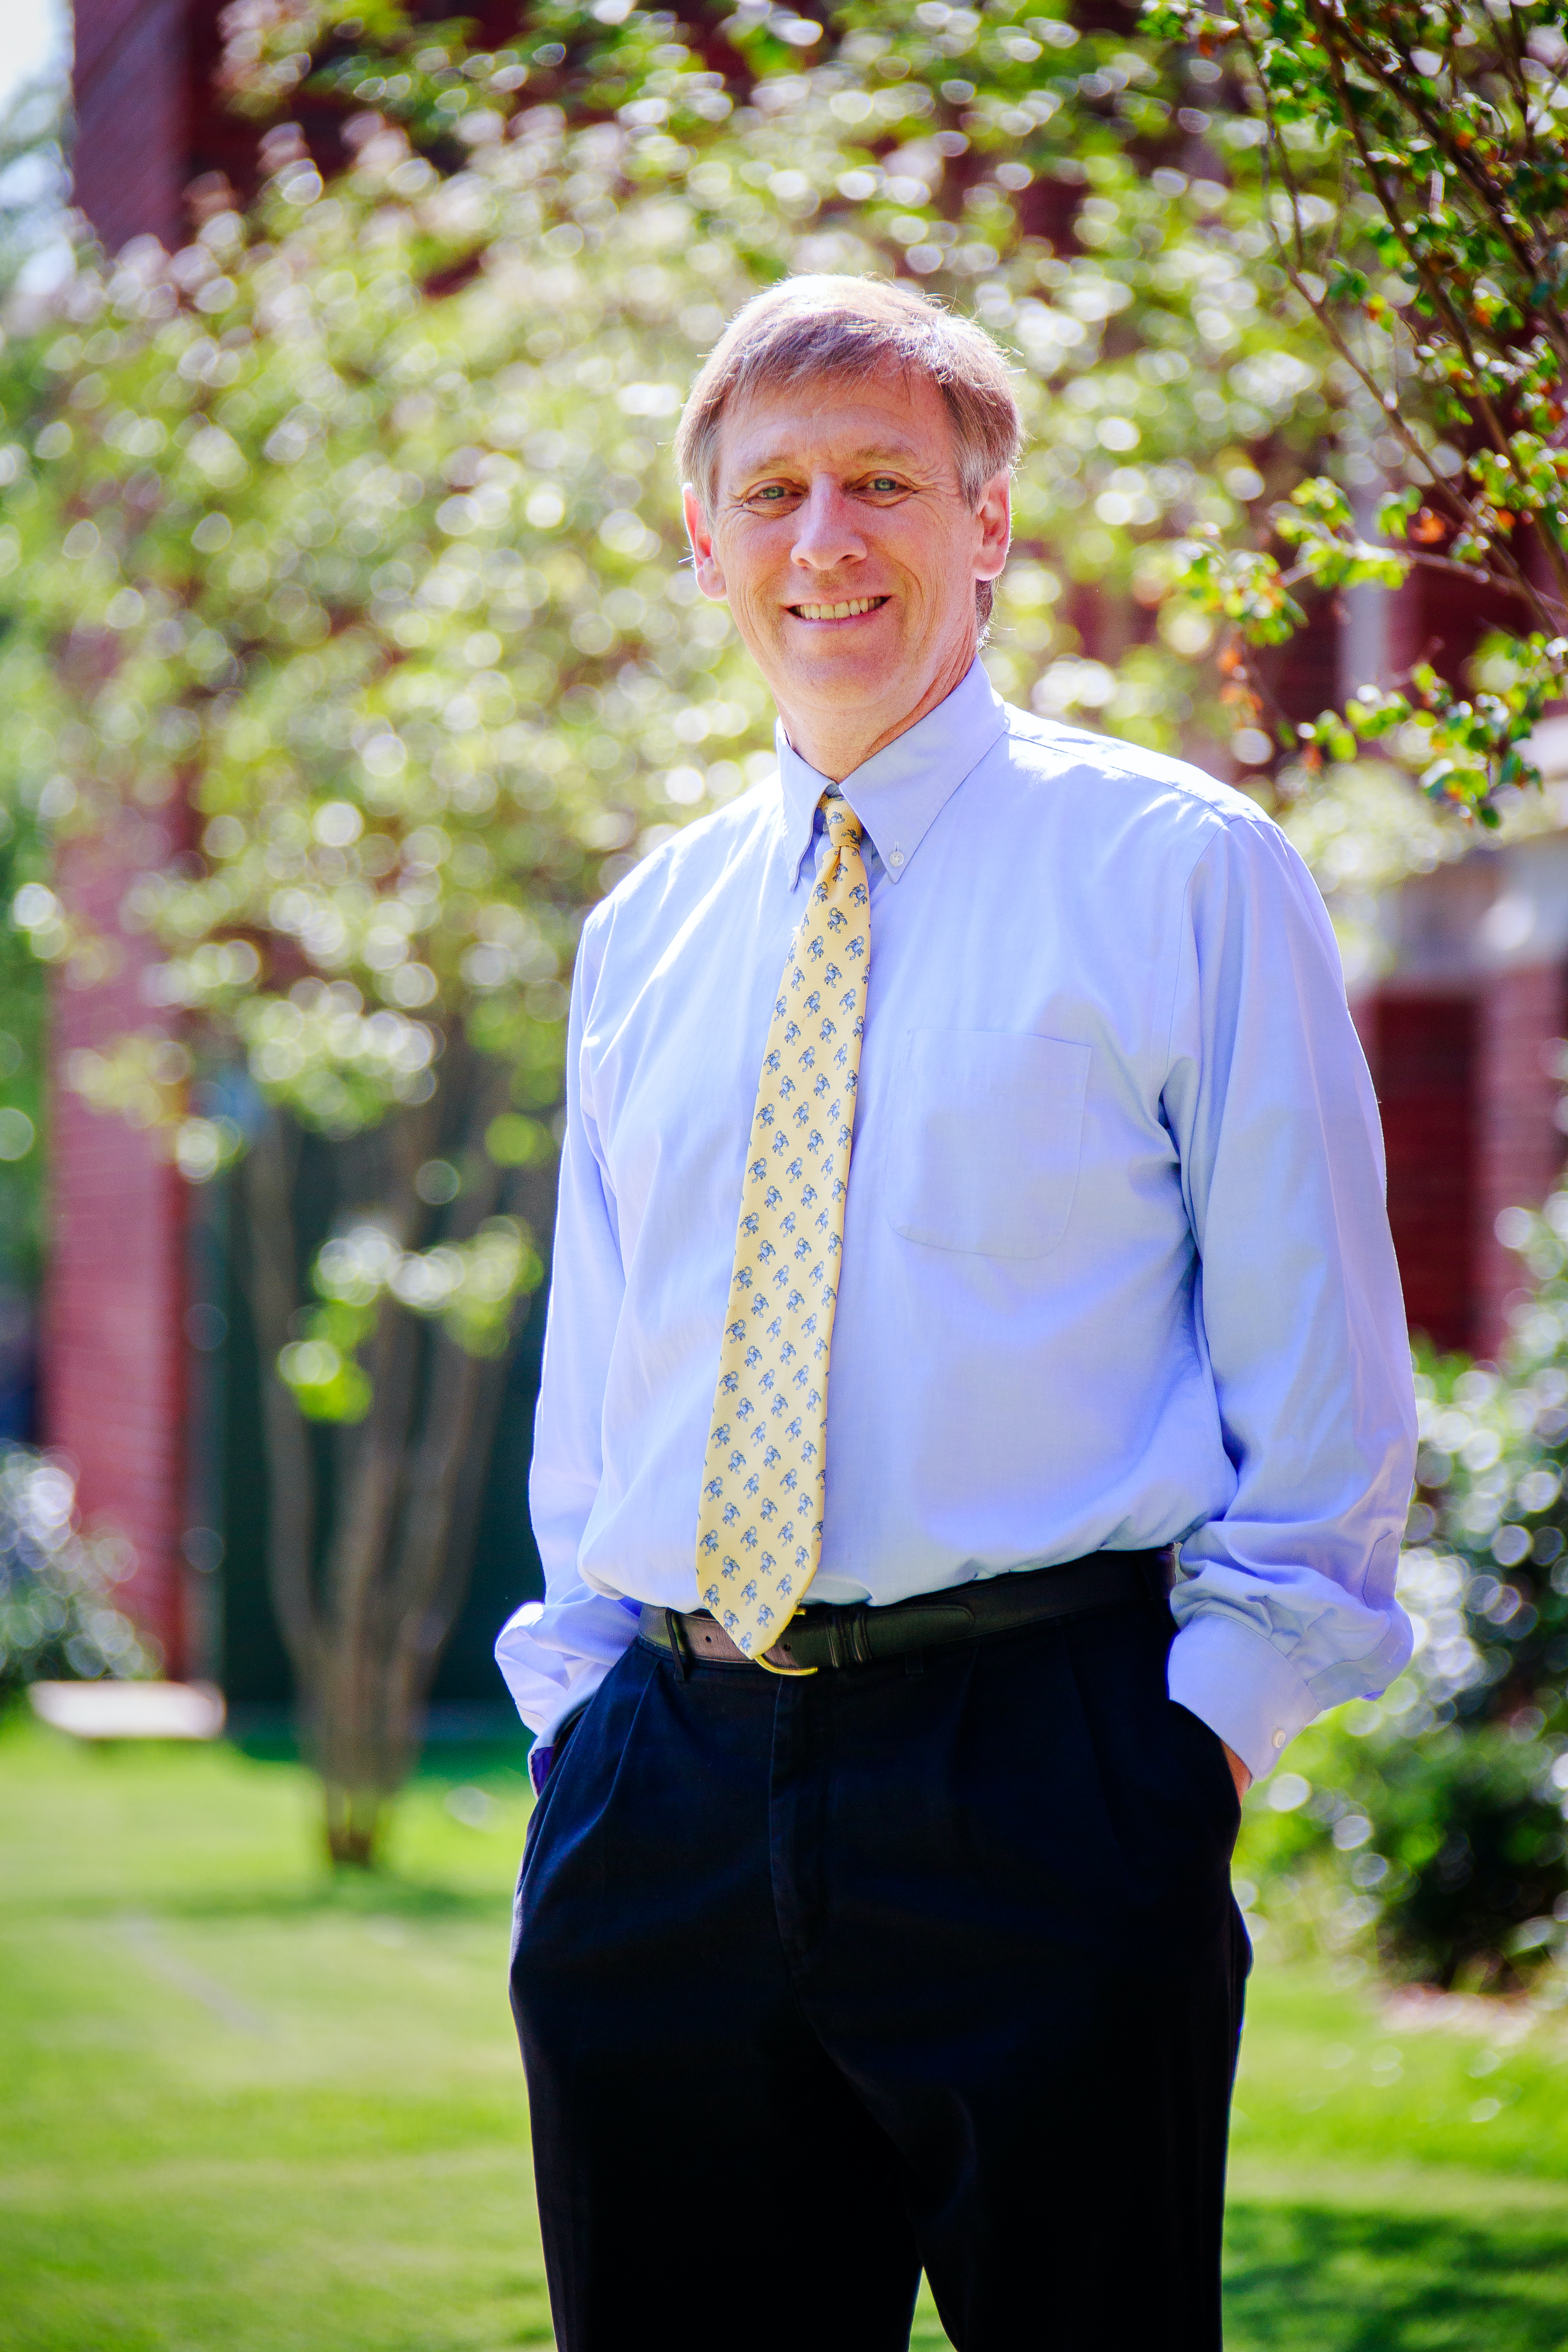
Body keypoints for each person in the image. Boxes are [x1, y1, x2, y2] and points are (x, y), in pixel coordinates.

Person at [496, 275, 1416, 2352]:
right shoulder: (645, 928)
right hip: (665, 1796)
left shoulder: (1183, 870)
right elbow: (601, 1382)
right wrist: (583, 1733)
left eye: (885, 483)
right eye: (775, 491)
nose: (826, 540)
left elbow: (1324, 1376)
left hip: (1051, 1787)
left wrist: (1196, 1755)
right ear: (704, 540)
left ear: (989, 523)